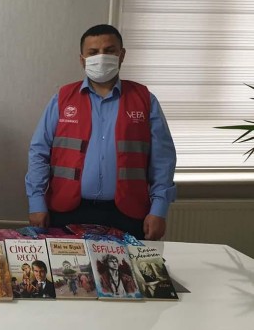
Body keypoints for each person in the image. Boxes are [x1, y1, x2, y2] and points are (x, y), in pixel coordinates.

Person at [25, 24, 176, 240]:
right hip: (67, 211)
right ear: (82, 59)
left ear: (121, 55)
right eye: (93, 52)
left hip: (128, 213)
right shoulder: (63, 98)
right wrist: (36, 202)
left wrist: (159, 209)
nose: (101, 57)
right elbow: (39, 152)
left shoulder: (144, 100)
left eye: (109, 50)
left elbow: (163, 160)